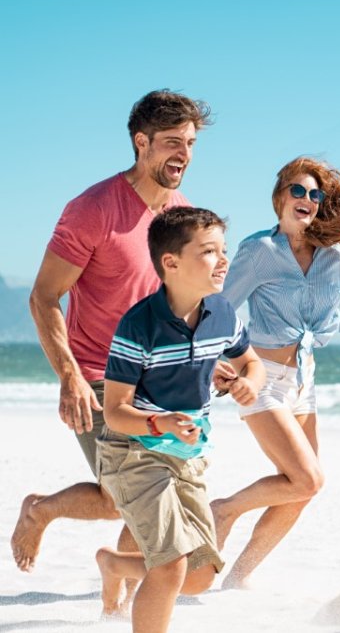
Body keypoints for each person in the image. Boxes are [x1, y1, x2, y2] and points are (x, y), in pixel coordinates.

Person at [12, 89, 210, 574]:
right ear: (141, 143)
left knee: (145, 489)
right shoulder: (93, 209)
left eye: (189, 142)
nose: (182, 153)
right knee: (131, 494)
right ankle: (41, 511)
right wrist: (70, 377)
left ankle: (117, 585)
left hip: (159, 377)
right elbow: (42, 297)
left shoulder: (180, 212)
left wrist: (208, 359)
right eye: (170, 142)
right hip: (101, 375)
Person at [211, 156, 340, 588]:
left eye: (314, 194)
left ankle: (238, 578)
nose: (306, 199)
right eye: (297, 191)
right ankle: (223, 510)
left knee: (303, 489)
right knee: (306, 477)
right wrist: (214, 358)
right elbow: (219, 306)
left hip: (304, 382)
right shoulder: (259, 252)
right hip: (260, 376)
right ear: (280, 197)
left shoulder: (334, 260)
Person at [94, 207, 265, 632]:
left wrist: (250, 382)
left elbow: (252, 362)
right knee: (171, 566)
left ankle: (115, 563)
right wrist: (160, 423)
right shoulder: (139, 326)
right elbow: (114, 411)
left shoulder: (222, 313)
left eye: (223, 250)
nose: (224, 260)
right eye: (209, 252)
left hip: (188, 454)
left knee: (200, 576)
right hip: (134, 451)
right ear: (170, 263)